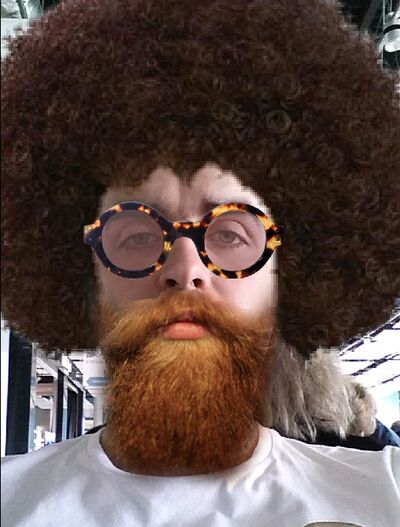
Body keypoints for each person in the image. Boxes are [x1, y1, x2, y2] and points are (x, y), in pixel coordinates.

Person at [1, 1, 399, 526]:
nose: (185, 267)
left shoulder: (386, 494)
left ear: (289, 274)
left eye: (231, 233)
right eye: (137, 233)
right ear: (84, 274)